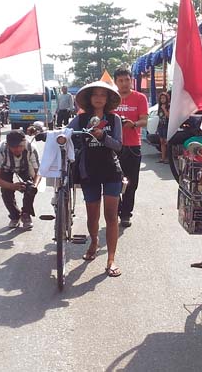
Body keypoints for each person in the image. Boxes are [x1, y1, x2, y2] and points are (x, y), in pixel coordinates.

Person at [67, 80, 124, 277]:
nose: (99, 98)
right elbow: (65, 134)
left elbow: (118, 146)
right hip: (88, 171)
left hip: (111, 171)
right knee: (93, 216)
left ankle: (111, 259)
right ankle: (93, 241)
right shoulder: (80, 120)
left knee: (111, 216)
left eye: (103, 95)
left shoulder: (114, 119)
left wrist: (102, 137)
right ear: (89, 99)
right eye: (95, 94)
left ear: (108, 99)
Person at [112, 68, 149, 228]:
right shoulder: (111, 98)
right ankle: (115, 210)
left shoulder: (140, 98)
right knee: (113, 181)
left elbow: (144, 121)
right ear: (115, 82)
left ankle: (126, 214)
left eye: (126, 80)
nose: (124, 83)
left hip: (133, 146)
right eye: (120, 80)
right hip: (113, 146)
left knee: (131, 183)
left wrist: (133, 124)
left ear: (131, 80)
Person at [0, 130, 41, 229]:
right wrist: (12, 186)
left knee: (31, 188)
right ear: (7, 145)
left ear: (25, 142)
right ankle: (14, 216)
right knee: (6, 191)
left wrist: (34, 185)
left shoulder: (31, 148)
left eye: (20, 146)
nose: (17, 149)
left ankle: (26, 214)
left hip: (25, 167)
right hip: (6, 168)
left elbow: (38, 172)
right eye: (13, 147)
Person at [157, 92, 170, 163]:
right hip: (161, 125)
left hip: (166, 125)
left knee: (166, 142)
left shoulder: (168, 106)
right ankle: (163, 157)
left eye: (164, 98)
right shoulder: (160, 107)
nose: (162, 100)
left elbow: (168, 116)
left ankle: (169, 158)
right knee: (161, 142)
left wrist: (164, 109)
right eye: (161, 98)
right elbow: (159, 117)